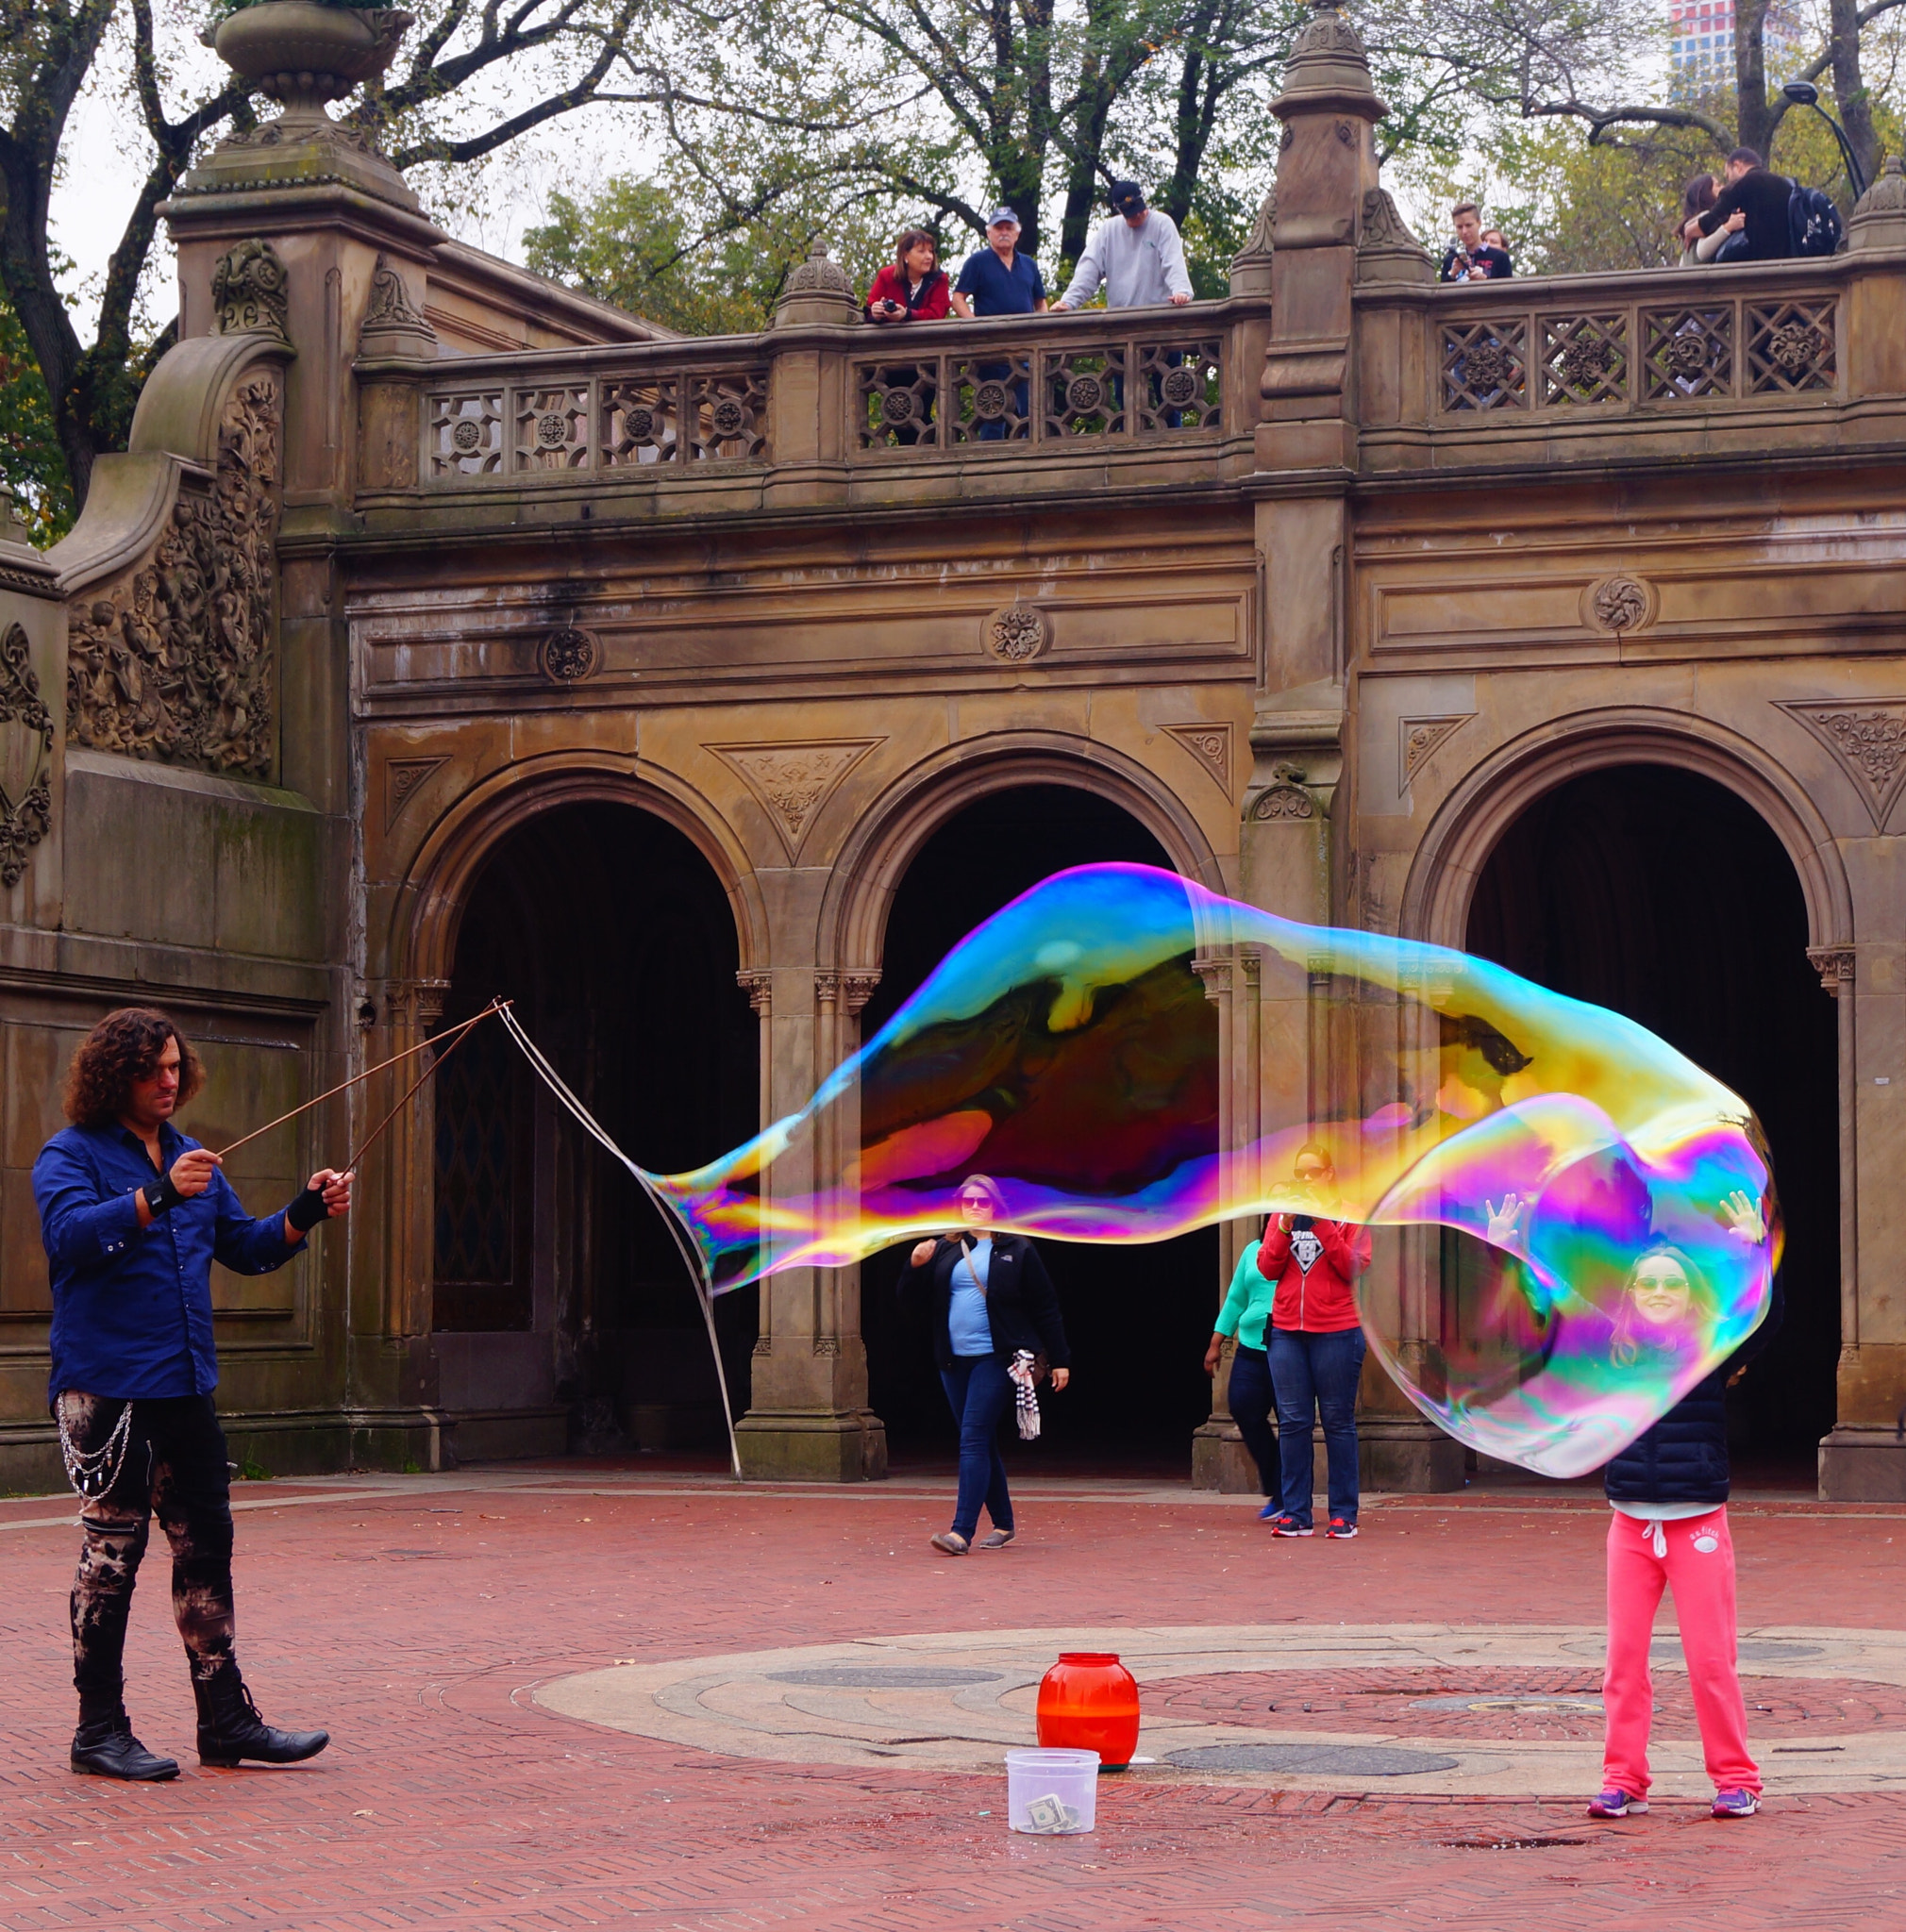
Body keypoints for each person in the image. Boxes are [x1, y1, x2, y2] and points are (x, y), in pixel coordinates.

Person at [35, 1008, 350, 1781]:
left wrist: (305, 1211)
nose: (169, 1081)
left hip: (184, 1384)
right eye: (152, 1070)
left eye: (176, 1067)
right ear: (117, 1076)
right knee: (112, 1555)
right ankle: (98, 1730)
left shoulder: (187, 1156)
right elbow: (70, 1240)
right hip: (106, 1389)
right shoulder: (69, 1154)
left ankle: (225, 1720)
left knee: (206, 1547)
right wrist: (159, 1197)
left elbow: (242, 1248)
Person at [1487, 1187, 1776, 1822]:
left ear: (1692, 1295)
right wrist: (1511, 1249)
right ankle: (1624, 1779)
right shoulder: (1611, 1352)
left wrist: (1755, 1247)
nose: (1659, 1291)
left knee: (1709, 1662)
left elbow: (1762, 1323)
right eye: (1647, 1282)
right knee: (1623, 1663)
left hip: (1698, 1523)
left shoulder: (1712, 1349)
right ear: (1632, 1294)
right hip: (1631, 1526)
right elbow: (1553, 1311)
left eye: (1673, 1283)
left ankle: (1737, 1778)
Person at [901, 1174, 1070, 1555]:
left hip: (998, 1359)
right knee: (980, 1440)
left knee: (973, 1437)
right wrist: (913, 1267)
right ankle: (1005, 1524)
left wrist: (1060, 1359)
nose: (975, 1206)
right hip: (952, 1360)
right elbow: (912, 1304)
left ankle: (961, 1532)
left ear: (995, 1205)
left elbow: (1046, 1306)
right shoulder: (945, 1250)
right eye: (968, 1201)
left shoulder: (1018, 1249)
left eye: (983, 1201)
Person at [1256, 1145, 1374, 1539]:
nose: (1305, 1180)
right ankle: (1296, 1512)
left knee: (1338, 1422)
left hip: (1337, 1331)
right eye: (1298, 1173)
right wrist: (1286, 1224)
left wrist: (1323, 1224)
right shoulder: (1282, 1213)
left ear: (1329, 1174)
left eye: (1312, 1172)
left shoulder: (1349, 1213)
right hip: (1288, 1330)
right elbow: (1268, 1267)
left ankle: (1343, 1513)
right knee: (1292, 1423)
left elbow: (1352, 1266)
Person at [1203, 1223, 1281, 1517]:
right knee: (1243, 1407)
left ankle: (1288, 1496)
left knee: (1291, 1422)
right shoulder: (1252, 1250)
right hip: (1250, 1348)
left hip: (1288, 1348)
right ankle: (1277, 1484)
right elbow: (1236, 1297)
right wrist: (1216, 1342)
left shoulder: (1299, 1251)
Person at [1051, 180, 1193, 310]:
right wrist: (1068, 302)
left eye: (1139, 209)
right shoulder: (1109, 229)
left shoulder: (1162, 224)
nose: (1137, 215)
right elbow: (1089, 269)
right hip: (1120, 318)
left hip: (1157, 315)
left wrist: (1181, 292)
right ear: (1119, 210)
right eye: (1130, 214)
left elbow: (1173, 262)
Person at [1686, 148, 1794, 262]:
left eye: (1728, 175)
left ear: (1737, 166)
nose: (1727, 182)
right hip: (1787, 266)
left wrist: (1688, 230)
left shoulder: (1741, 185)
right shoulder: (1785, 185)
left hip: (1758, 268)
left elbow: (1708, 223)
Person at [863, 227, 951, 325]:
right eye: (921, 251)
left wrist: (907, 314)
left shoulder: (939, 279)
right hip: (889, 337)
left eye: (930, 251)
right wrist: (876, 312)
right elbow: (868, 313)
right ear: (905, 255)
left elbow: (937, 315)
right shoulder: (886, 276)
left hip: (927, 338)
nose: (929, 256)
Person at [1678, 174, 1744, 265]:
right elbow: (1702, 252)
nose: (1723, 188)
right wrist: (1729, 227)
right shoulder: (1705, 218)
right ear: (1706, 192)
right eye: (1718, 185)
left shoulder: (1689, 227)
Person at [1439, 202, 1513, 282]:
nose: (1464, 231)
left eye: (1469, 225)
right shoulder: (1450, 261)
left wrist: (1485, 281)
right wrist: (1452, 273)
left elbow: (1507, 291)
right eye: (1459, 227)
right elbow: (1441, 292)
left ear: (1479, 223)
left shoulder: (1500, 257)